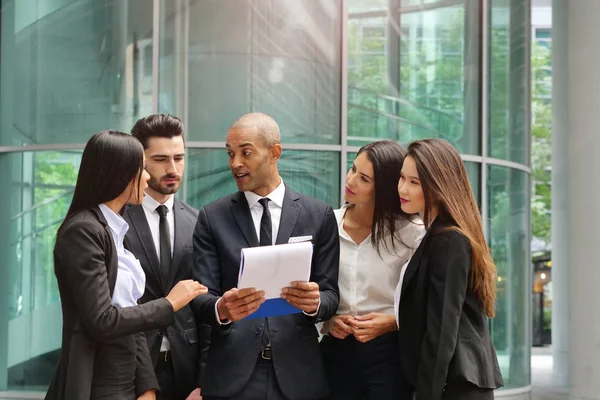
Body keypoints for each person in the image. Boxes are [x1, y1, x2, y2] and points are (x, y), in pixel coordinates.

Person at [45, 130, 207, 400]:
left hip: (127, 377)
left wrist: (146, 386)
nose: (147, 177)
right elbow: (102, 320)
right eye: (142, 169)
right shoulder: (83, 231)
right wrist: (170, 304)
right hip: (99, 380)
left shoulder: (112, 230)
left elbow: (132, 320)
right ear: (118, 173)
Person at [191, 112, 340, 400]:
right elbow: (200, 296)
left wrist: (314, 302)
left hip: (298, 375)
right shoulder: (212, 217)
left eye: (246, 152)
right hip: (232, 376)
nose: (235, 164)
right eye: (230, 154)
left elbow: (331, 294)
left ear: (275, 153)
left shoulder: (318, 215)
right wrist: (222, 308)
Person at [396, 138, 504, 400]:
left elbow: (442, 329)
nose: (403, 188)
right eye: (402, 178)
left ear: (437, 186)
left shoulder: (448, 239)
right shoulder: (437, 234)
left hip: (454, 386)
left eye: (415, 182)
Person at [320, 140, 424, 400]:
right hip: (335, 351)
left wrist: (393, 322)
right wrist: (329, 321)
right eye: (353, 169)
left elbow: (426, 302)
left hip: (389, 354)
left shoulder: (412, 234)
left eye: (364, 178)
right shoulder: (326, 224)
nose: (351, 181)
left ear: (384, 188)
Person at [124, 114, 208, 400]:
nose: (173, 168)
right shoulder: (116, 220)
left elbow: (207, 308)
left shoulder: (200, 222)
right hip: (130, 372)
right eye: (161, 159)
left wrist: (204, 382)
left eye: (179, 158)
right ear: (140, 161)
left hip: (187, 373)